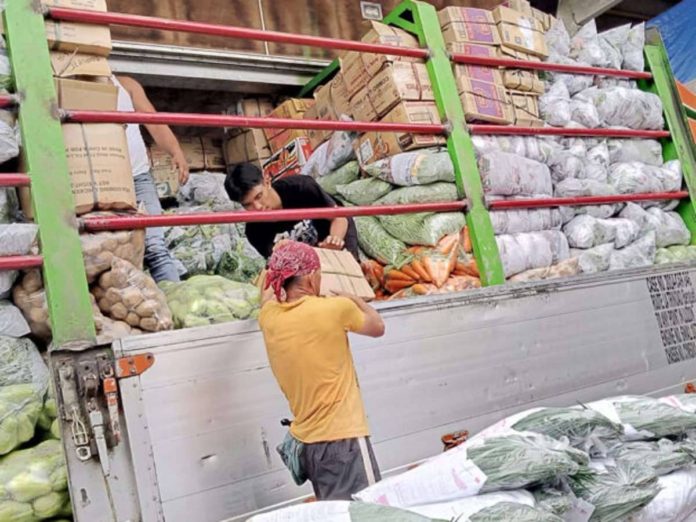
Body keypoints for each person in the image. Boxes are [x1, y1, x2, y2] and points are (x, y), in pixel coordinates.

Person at [259, 241, 385, 500]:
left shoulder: (269, 317)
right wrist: (351, 296)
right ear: (311, 276)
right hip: (343, 440)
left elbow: (266, 294)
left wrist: (277, 262)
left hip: (310, 447)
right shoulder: (335, 308)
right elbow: (377, 327)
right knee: (370, 512)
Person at [112, 75, 189, 282]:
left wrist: (176, 151)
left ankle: (174, 305)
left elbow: (154, 122)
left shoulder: (126, 85)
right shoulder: (74, 86)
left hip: (139, 177)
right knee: (112, 253)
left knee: (155, 247)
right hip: (105, 184)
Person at [224, 162, 359, 260]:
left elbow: (339, 217)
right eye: (248, 205)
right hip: (306, 265)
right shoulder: (255, 232)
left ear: (267, 181)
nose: (258, 207)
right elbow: (282, 264)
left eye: (259, 196)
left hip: (336, 236)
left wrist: (334, 241)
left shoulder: (301, 187)